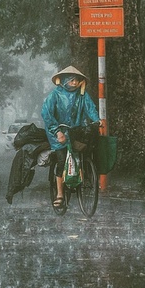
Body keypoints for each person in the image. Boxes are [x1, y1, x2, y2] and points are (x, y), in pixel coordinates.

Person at [41, 65, 101, 207]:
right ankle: (60, 194)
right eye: (72, 80)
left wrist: (97, 121)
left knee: (86, 151)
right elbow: (47, 114)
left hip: (77, 130)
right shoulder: (55, 95)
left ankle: (83, 176)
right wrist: (57, 131)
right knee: (62, 160)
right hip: (58, 131)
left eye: (77, 80)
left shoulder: (82, 95)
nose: (74, 83)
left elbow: (90, 108)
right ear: (64, 80)